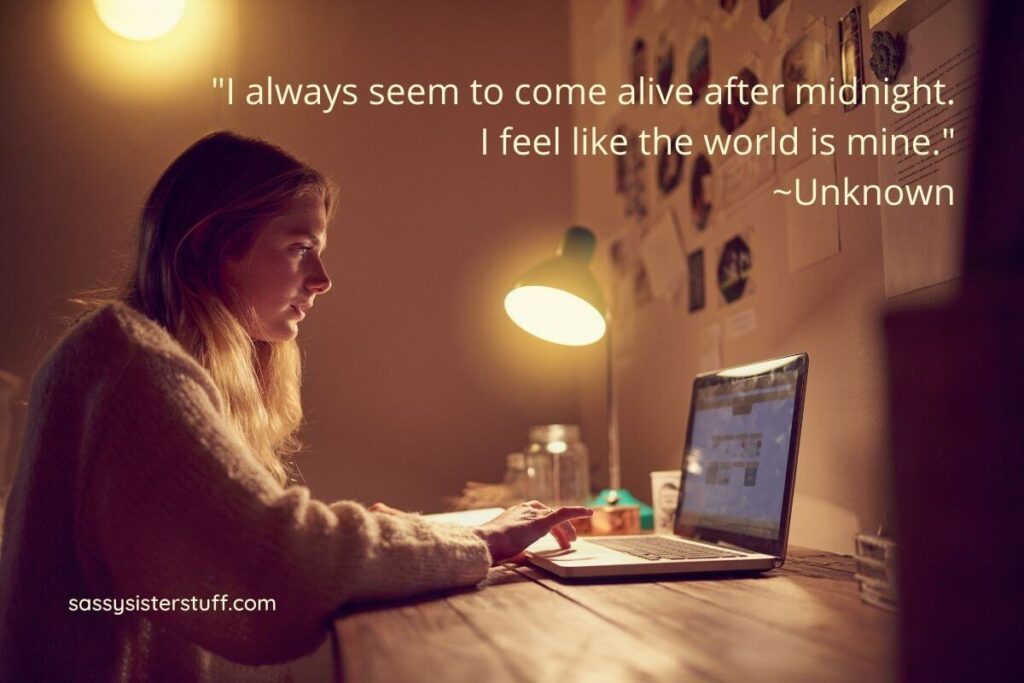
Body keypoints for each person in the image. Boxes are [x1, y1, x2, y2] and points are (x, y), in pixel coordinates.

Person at [0, 131, 593, 682]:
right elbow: (277, 562)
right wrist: (483, 543)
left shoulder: (126, 357)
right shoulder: (129, 365)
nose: (323, 278)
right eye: (300, 248)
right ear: (212, 245)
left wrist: (399, 536)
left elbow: (254, 542)